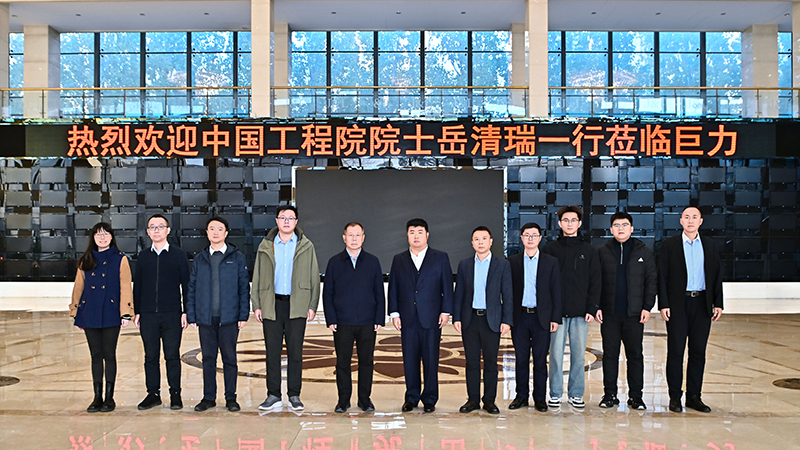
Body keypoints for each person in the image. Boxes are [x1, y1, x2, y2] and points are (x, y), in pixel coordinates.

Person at [252, 204, 320, 411]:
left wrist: (312, 304)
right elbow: (257, 275)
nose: (287, 221)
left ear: (296, 222)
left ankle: (294, 395)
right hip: (271, 304)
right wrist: (257, 304)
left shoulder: (306, 246)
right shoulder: (266, 245)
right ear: (277, 221)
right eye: (283, 218)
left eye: (291, 218)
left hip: (297, 304)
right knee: (272, 352)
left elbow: (314, 276)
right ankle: (273, 394)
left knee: (295, 353)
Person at [658, 206, 724, 413]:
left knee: (698, 353)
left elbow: (716, 275)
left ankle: (694, 396)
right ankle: (675, 396)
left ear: (701, 221)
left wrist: (718, 303)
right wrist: (663, 304)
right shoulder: (669, 245)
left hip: (702, 304)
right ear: (681, 221)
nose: (690, 220)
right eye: (686, 217)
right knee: (676, 352)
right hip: (678, 305)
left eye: (694, 217)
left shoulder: (710, 245)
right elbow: (662, 277)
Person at [388, 218, 453, 413]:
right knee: (410, 359)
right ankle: (411, 397)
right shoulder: (399, 259)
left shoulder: (440, 257)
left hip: (432, 317)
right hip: (407, 317)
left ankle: (430, 398)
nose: (416, 236)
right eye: (412, 232)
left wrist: (446, 311)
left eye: (420, 232)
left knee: (431, 359)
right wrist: (394, 313)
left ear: (427, 235)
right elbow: (393, 288)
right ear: (407, 235)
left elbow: (447, 286)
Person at [186, 216, 250, 412]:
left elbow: (243, 288)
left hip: (229, 318)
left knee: (229, 359)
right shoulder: (200, 258)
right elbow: (192, 288)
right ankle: (209, 397)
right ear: (207, 233)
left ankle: (231, 397)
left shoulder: (237, 257)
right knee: (208, 359)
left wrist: (243, 314)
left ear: (226, 233)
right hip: (206, 318)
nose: (215, 232)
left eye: (219, 229)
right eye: (212, 229)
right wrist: (192, 314)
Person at [69, 222, 133, 413]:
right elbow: (78, 287)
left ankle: (109, 398)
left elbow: (125, 286)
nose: (102, 237)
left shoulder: (120, 259)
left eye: (106, 234)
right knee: (95, 355)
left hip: (111, 312)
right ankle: (97, 397)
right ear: (93, 238)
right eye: (98, 234)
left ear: (112, 237)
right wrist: (75, 311)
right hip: (90, 312)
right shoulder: (86, 259)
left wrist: (126, 312)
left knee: (109, 354)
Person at [596, 212, 657, 410]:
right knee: (610, 355)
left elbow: (651, 280)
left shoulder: (643, 251)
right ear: (611, 229)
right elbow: (596, 281)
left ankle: (636, 397)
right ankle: (610, 395)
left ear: (632, 228)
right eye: (616, 225)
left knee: (635, 355)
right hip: (610, 315)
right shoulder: (603, 251)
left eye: (624, 225)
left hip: (634, 315)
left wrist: (647, 307)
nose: (620, 228)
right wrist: (597, 306)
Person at [322, 222, 385, 413]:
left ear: (363, 238)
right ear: (344, 238)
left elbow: (379, 292)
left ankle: (365, 399)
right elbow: (328, 293)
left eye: (358, 235)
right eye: (350, 235)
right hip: (342, 322)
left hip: (368, 322)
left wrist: (379, 318)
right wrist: (331, 318)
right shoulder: (334, 262)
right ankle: (343, 400)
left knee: (366, 362)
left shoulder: (373, 261)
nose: (354, 239)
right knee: (343, 362)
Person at [542, 206, 601, 409]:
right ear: (559, 223)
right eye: (565, 220)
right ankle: (555, 393)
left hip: (580, 313)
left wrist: (592, 308)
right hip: (556, 314)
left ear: (579, 223)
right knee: (555, 355)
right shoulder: (550, 250)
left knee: (579, 356)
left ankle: (576, 393)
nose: (569, 224)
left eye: (573, 220)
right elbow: (544, 283)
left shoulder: (589, 251)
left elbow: (595, 281)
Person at [452, 226, 513, 415]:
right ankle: (472, 399)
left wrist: (507, 320)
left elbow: (508, 295)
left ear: (491, 242)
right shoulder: (465, 264)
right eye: (476, 239)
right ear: (472, 243)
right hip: (470, 319)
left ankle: (489, 400)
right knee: (471, 362)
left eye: (484, 238)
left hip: (491, 320)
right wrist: (457, 317)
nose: (480, 242)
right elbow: (459, 293)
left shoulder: (502, 265)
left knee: (490, 362)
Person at [133, 214, 191, 411]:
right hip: (148, 313)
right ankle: (153, 394)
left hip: (172, 313)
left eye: (160, 226)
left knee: (172, 355)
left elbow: (186, 285)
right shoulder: (143, 256)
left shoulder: (178, 255)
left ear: (168, 230)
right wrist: (137, 311)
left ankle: (175, 394)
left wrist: (186, 311)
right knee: (150, 355)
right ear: (148, 232)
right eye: (152, 227)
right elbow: (138, 286)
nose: (156, 230)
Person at [508, 222, 561, 412]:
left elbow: (556, 291)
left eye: (534, 235)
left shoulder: (550, 262)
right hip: (520, 318)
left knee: (540, 360)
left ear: (540, 238)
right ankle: (521, 396)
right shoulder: (512, 262)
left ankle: (540, 398)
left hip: (542, 318)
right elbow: (507, 293)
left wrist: (555, 318)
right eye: (527, 235)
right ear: (521, 238)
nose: (530, 239)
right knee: (521, 359)